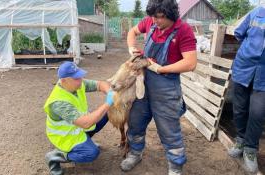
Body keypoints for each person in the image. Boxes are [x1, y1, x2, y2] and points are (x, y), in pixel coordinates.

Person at [121, 0, 197, 174]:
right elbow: (132, 32)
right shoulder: (150, 21)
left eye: (160, 17)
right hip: (142, 83)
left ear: (171, 15)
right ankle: (135, 153)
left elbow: (191, 63)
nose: (155, 21)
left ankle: (175, 166)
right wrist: (132, 48)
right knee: (135, 122)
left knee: (169, 130)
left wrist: (161, 69)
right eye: (153, 17)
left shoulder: (184, 31)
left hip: (166, 88)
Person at [44, 61, 114, 175]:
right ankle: (57, 155)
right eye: (76, 78)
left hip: (77, 128)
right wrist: (108, 103)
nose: (80, 80)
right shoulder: (58, 102)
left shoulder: (75, 84)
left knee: (108, 113)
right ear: (64, 80)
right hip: (65, 137)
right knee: (91, 153)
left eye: (80, 76)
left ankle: (85, 141)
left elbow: (100, 84)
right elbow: (86, 123)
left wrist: (109, 92)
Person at [228, 4, 265, 173]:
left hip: (263, 75)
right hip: (243, 68)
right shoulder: (256, 12)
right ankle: (240, 140)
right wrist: (249, 50)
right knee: (239, 109)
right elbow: (239, 33)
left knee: (257, 113)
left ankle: (250, 150)